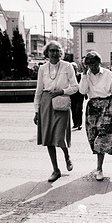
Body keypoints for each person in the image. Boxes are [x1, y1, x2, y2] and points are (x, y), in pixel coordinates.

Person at [33, 40, 79, 183]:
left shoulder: (68, 66)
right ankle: (55, 169)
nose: (54, 53)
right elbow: (39, 90)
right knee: (48, 139)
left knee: (60, 137)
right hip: (46, 103)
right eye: (51, 50)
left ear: (61, 52)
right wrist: (36, 110)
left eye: (56, 50)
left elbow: (75, 87)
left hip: (61, 102)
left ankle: (66, 156)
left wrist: (62, 91)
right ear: (47, 53)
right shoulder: (42, 68)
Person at [79, 51, 112, 181]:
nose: (92, 67)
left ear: (99, 62)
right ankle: (99, 162)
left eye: (94, 64)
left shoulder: (107, 74)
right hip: (92, 108)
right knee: (93, 137)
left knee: (102, 138)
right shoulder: (86, 75)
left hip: (108, 108)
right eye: (89, 64)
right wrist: (84, 75)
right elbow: (82, 91)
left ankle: (99, 168)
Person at [70, 62, 86, 130]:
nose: (73, 69)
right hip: (72, 95)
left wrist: (85, 94)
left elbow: (83, 85)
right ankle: (75, 123)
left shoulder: (80, 75)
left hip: (80, 94)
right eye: (72, 68)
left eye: (74, 68)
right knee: (73, 109)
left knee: (78, 109)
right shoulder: (69, 77)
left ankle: (79, 124)